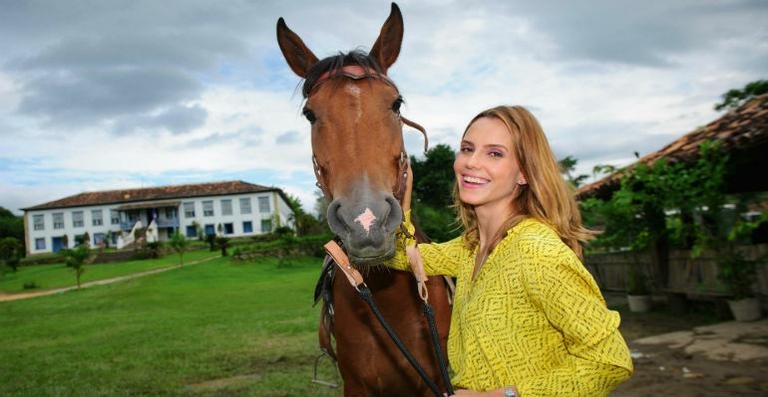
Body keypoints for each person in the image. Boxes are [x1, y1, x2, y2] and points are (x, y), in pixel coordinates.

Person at [388, 105, 633, 397]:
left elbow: (610, 361)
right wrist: (400, 203)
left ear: (524, 173)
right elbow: (402, 255)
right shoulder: (471, 248)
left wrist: (503, 395)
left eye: (495, 153)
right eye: (467, 149)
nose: (471, 162)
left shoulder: (538, 252)